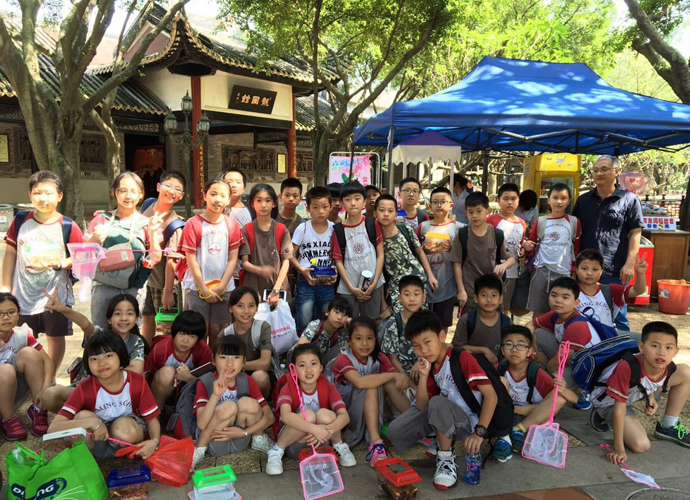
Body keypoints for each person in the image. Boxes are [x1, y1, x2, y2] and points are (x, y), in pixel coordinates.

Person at [386, 310, 511, 490]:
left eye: (427, 342)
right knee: (395, 432)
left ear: (442, 336)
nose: (423, 350)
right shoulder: (429, 364)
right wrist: (423, 376)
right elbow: (422, 406)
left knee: (437, 402)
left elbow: (491, 396)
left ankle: (445, 459)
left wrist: (479, 432)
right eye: (416, 346)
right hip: (446, 414)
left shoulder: (462, 358)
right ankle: (440, 436)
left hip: (470, 421)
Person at [1, 171, 83, 377]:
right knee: (21, 338)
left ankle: (50, 378)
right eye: (37, 193)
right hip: (23, 295)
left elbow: (81, 257)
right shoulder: (20, 221)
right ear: (30, 195)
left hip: (56, 296)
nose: (43, 198)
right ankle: (27, 380)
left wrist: (61, 263)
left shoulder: (68, 226)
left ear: (59, 196)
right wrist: (5, 288)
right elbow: (10, 253)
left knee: (55, 338)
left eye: (48, 193)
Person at [47, 331, 161, 459]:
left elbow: (151, 419)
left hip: (125, 440)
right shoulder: (84, 387)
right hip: (96, 440)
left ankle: (119, 452)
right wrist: (93, 422)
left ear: (120, 355)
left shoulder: (137, 381)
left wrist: (155, 441)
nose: (101, 363)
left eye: (108, 355)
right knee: (82, 416)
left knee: (124, 429)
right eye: (94, 359)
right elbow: (53, 427)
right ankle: (89, 457)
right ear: (87, 363)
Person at [590, 322, 690, 464]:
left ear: (676, 351)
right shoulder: (626, 366)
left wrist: (650, 396)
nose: (661, 352)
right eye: (655, 346)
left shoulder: (667, 366)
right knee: (641, 445)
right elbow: (619, 408)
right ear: (641, 347)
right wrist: (619, 448)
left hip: (633, 391)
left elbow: (649, 381)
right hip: (610, 401)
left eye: (668, 347)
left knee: (685, 372)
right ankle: (601, 414)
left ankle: (668, 426)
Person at [39, 293, 148, 414]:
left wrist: (102, 378)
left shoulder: (135, 341)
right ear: (109, 319)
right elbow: (85, 324)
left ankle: (91, 417)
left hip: (115, 395)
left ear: (137, 318)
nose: (124, 318)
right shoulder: (99, 336)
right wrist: (64, 309)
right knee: (49, 395)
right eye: (118, 314)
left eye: (130, 313)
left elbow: (136, 369)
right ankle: (83, 415)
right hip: (86, 389)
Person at [573, 155, 644, 332]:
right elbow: (574, 231)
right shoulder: (583, 200)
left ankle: (622, 348)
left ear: (617, 172)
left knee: (618, 316)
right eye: (596, 170)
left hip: (615, 268)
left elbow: (635, 232)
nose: (599, 174)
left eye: (604, 169)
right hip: (585, 268)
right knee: (581, 312)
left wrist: (629, 264)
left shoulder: (629, 200)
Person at [86, 172, 162, 331]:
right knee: (100, 331)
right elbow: (83, 255)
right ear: (115, 192)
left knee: (130, 331)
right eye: (123, 190)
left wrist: (153, 232)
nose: (128, 196)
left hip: (133, 288)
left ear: (141, 194)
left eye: (134, 191)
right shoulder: (101, 219)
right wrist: (94, 240)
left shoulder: (147, 223)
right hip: (103, 287)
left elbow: (156, 256)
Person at [330, 317, 411, 466]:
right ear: (349, 341)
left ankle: (413, 421)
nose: (364, 343)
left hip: (370, 406)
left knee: (390, 383)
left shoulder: (379, 357)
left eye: (369, 338)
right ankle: (375, 443)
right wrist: (394, 375)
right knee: (372, 384)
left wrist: (398, 379)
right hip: (346, 410)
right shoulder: (344, 358)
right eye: (358, 338)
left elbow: (397, 382)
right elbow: (360, 382)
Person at [266, 343, 355, 475]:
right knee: (308, 415)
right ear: (293, 370)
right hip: (294, 442)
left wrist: (325, 431)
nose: (308, 370)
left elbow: (344, 416)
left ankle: (339, 446)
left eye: (313, 364)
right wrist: (314, 429)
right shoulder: (288, 387)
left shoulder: (329, 387)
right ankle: (276, 451)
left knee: (326, 415)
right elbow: (285, 416)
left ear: (321, 367)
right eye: (302, 365)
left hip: (321, 441)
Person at [191, 336, 275, 469]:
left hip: (240, 438)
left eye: (236, 357)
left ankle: (259, 439)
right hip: (214, 440)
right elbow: (201, 424)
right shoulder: (205, 382)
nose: (229, 363)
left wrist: (244, 433)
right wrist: (215, 396)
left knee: (249, 403)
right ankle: (198, 450)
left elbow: (270, 417)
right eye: (223, 357)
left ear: (244, 362)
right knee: (229, 406)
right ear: (213, 360)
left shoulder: (246, 380)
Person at [527, 277, 609, 411]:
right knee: (539, 332)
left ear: (576, 302)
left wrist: (545, 374)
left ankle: (582, 393)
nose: (558, 300)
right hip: (573, 360)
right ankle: (546, 372)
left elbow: (560, 359)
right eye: (554, 295)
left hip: (587, 369)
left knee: (551, 383)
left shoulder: (577, 324)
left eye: (565, 297)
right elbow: (530, 325)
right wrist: (531, 349)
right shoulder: (555, 315)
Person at [179, 178, 241, 348]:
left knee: (219, 331)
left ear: (228, 199)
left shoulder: (232, 225)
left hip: (224, 288)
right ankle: (197, 363)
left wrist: (221, 287)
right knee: (198, 331)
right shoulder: (193, 223)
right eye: (213, 194)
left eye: (223, 195)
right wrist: (204, 289)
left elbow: (233, 259)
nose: (217, 199)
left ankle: (214, 363)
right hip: (196, 287)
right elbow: (191, 259)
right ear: (205, 195)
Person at [498, 325, 577, 454]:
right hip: (506, 416)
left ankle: (518, 430)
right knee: (499, 382)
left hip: (532, 419)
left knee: (559, 397)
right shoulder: (498, 369)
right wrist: (521, 409)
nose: (514, 350)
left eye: (521, 345)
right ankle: (506, 437)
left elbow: (574, 399)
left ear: (529, 351)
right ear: (502, 350)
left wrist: (562, 388)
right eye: (509, 345)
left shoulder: (535, 372)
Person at [140, 170, 186, 345]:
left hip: (163, 283)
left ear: (181, 196)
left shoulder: (175, 225)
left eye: (177, 189)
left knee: (167, 326)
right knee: (147, 319)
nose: (172, 191)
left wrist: (168, 292)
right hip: (144, 280)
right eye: (168, 186)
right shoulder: (147, 206)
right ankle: (147, 353)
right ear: (159, 187)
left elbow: (171, 262)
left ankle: (166, 356)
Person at [0, 292, 53, 440]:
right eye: (0, 313)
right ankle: (8, 419)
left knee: (30, 353)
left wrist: (46, 388)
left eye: (11, 312)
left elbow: (47, 361)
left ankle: (38, 409)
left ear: (18, 315)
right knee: (6, 370)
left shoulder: (21, 334)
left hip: (13, 391)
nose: (6, 317)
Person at [450, 191, 514, 313]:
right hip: (470, 291)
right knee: (470, 322)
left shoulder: (497, 234)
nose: (474, 216)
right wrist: (461, 290)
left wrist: (503, 265)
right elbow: (456, 263)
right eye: (470, 212)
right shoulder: (462, 235)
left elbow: (511, 259)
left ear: (488, 210)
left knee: (494, 322)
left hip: (493, 290)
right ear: (466, 213)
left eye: (479, 211)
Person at [524, 183, 581, 317]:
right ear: (548, 200)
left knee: (562, 312)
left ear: (569, 201)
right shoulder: (541, 221)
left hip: (564, 273)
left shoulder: (574, 222)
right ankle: (538, 331)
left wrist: (573, 272)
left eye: (563, 198)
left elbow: (576, 249)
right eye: (555, 198)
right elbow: (531, 245)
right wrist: (527, 248)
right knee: (538, 311)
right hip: (541, 271)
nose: (559, 202)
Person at [375, 194, 437, 313]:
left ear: (396, 214)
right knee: (401, 318)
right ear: (375, 213)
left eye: (390, 211)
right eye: (382, 210)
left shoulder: (406, 230)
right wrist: (382, 299)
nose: (386, 214)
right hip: (396, 286)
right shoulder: (375, 239)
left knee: (420, 317)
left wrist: (430, 275)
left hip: (417, 280)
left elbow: (420, 252)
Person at [331, 182, 385, 319]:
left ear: (364, 202)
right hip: (348, 288)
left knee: (372, 322)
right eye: (348, 199)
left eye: (357, 198)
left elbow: (380, 255)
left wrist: (374, 283)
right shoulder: (338, 230)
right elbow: (338, 261)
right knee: (349, 323)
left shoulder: (372, 223)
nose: (353, 203)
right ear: (342, 203)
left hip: (374, 285)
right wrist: (351, 288)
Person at [290, 187, 337, 334]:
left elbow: (338, 256)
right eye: (315, 207)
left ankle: (322, 346)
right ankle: (302, 345)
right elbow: (290, 254)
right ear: (308, 208)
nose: (320, 211)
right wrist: (301, 270)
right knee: (304, 321)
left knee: (327, 320)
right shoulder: (303, 228)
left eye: (324, 207)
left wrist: (336, 271)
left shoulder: (334, 229)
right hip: (306, 280)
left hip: (327, 281)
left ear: (330, 207)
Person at [144, 310, 212, 408]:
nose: (185, 340)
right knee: (168, 372)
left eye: (192, 336)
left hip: (189, 393)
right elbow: (146, 374)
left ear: (198, 339)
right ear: (174, 333)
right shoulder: (161, 348)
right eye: (182, 334)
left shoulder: (204, 350)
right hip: (159, 392)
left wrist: (188, 378)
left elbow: (210, 381)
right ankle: (157, 411)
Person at [418, 187, 464, 328]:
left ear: (451, 205)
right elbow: (417, 252)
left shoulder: (459, 228)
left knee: (443, 324)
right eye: (435, 202)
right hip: (426, 283)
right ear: (429, 205)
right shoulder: (423, 227)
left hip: (448, 284)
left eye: (443, 202)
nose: (439, 205)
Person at [239, 184, 293, 304]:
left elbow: (286, 261)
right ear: (252, 203)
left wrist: (276, 289)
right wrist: (260, 270)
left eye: (267, 200)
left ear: (274, 203)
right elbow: (245, 263)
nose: (263, 205)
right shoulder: (246, 230)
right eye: (259, 200)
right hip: (253, 288)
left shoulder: (281, 229)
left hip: (278, 286)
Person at [218, 287, 273, 398]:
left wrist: (238, 366)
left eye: (251, 306)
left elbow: (265, 363)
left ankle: (259, 404)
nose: (246, 311)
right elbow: (220, 364)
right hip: (233, 375)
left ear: (257, 308)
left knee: (260, 377)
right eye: (240, 306)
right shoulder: (225, 334)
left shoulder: (263, 327)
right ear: (230, 308)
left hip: (255, 373)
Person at [575, 249, 648, 327]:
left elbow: (638, 291)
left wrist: (640, 274)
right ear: (576, 270)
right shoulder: (570, 291)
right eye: (584, 268)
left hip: (606, 335)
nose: (589, 273)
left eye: (595, 269)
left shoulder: (611, 291)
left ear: (601, 271)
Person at [453, 275, 512, 364]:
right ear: (476, 298)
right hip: (471, 367)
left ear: (501, 299)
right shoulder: (467, 320)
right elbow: (457, 347)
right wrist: (483, 350)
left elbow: (511, 348)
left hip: (497, 368)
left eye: (494, 295)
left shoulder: (506, 322)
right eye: (484, 295)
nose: (489, 300)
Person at [378, 275, 425, 386]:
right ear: (399, 298)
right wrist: (407, 381)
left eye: (416, 294)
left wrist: (420, 362)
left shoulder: (428, 320)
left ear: (424, 297)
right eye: (407, 294)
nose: (412, 299)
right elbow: (392, 358)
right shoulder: (394, 322)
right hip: (400, 373)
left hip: (424, 368)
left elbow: (434, 348)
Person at [487, 183, 526, 311]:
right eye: (506, 199)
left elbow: (520, 244)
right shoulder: (491, 220)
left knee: (505, 306)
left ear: (518, 201)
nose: (510, 202)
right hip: (493, 271)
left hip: (512, 272)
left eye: (513, 199)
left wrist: (524, 250)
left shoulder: (522, 223)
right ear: (498, 201)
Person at [297, 296, 352, 366]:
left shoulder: (342, 332)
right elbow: (301, 345)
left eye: (344, 315)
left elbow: (351, 349)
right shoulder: (316, 325)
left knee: (342, 350)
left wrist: (352, 324)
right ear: (327, 312)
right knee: (295, 350)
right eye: (337, 312)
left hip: (325, 364)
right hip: (306, 360)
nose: (340, 317)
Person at [222, 168, 252, 287]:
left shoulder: (252, 210)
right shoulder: (217, 210)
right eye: (229, 182)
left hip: (243, 270)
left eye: (238, 182)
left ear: (244, 187)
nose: (233, 185)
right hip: (220, 270)